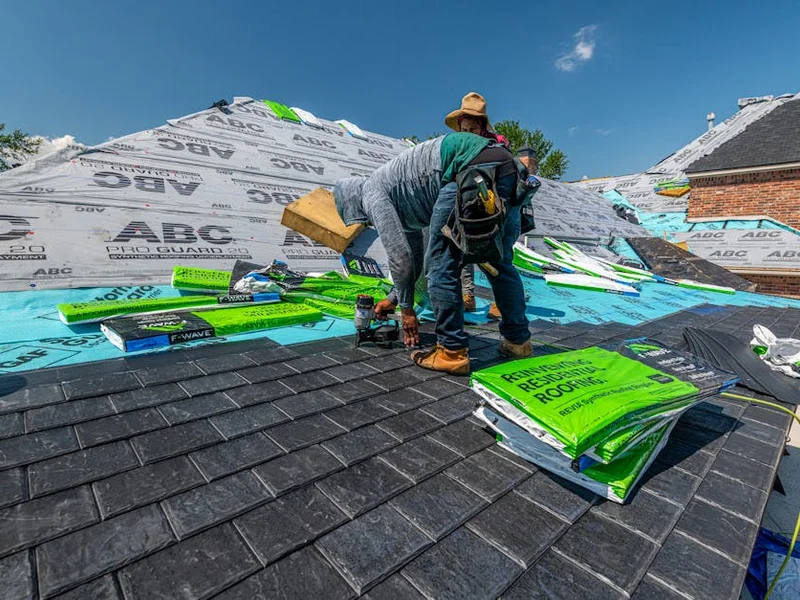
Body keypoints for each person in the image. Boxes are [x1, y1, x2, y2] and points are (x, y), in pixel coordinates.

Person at [334, 132, 532, 375]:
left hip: (466, 169)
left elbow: (400, 258)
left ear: (352, 203)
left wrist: (407, 310)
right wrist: (394, 298)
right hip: (506, 167)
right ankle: (518, 342)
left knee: (439, 266)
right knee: (498, 262)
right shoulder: (402, 194)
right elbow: (413, 253)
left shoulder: (372, 193)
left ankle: (451, 352)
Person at [444, 92, 508, 316]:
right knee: (463, 252)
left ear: (482, 127)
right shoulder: (457, 148)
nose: (468, 134)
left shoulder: (497, 147)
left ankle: (503, 303)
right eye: (464, 130)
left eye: (473, 130)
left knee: (498, 258)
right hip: (467, 209)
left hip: (494, 211)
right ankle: (467, 296)